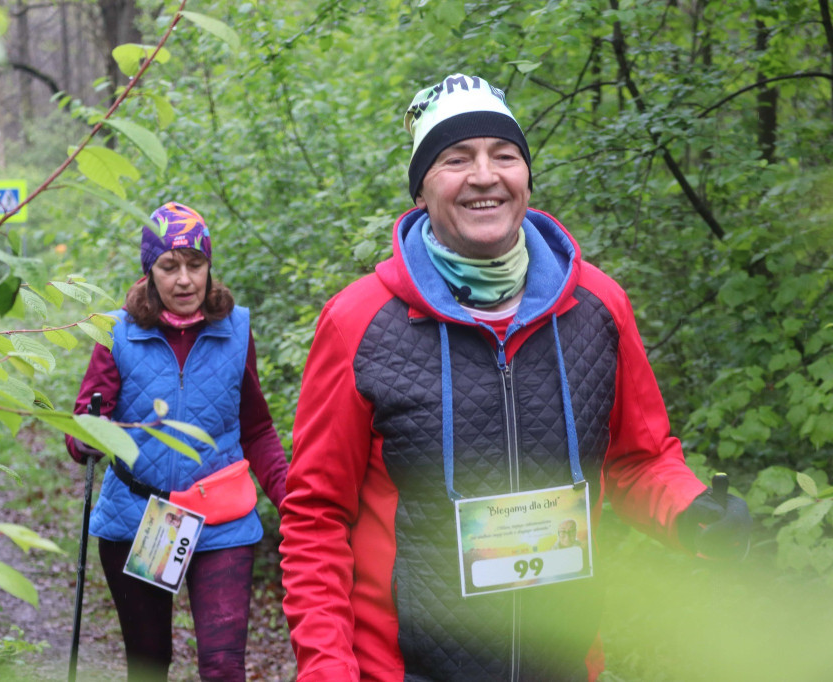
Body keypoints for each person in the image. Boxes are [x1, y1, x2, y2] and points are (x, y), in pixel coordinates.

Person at [278, 74, 751, 681]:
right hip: (404, 669)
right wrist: (327, 671)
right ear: (421, 188)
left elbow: (636, 457)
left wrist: (693, 511)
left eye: (504, 155)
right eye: (455, 159)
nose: (484, 175)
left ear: (526, 177)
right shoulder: (359, 322)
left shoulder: (597, 306)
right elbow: (316, 515)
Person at [66, 202, 288, 682]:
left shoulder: (236, 329)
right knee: (149, 665)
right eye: (169, 266)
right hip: (143, 519)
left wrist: (294, 499)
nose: (184, 279)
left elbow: (257, 428)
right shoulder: (116, 332)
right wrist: (86, 436)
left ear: (209, 267)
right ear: (149, 272)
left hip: (222, 518)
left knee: (223, 667)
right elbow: (85, 421)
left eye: (195, 264)